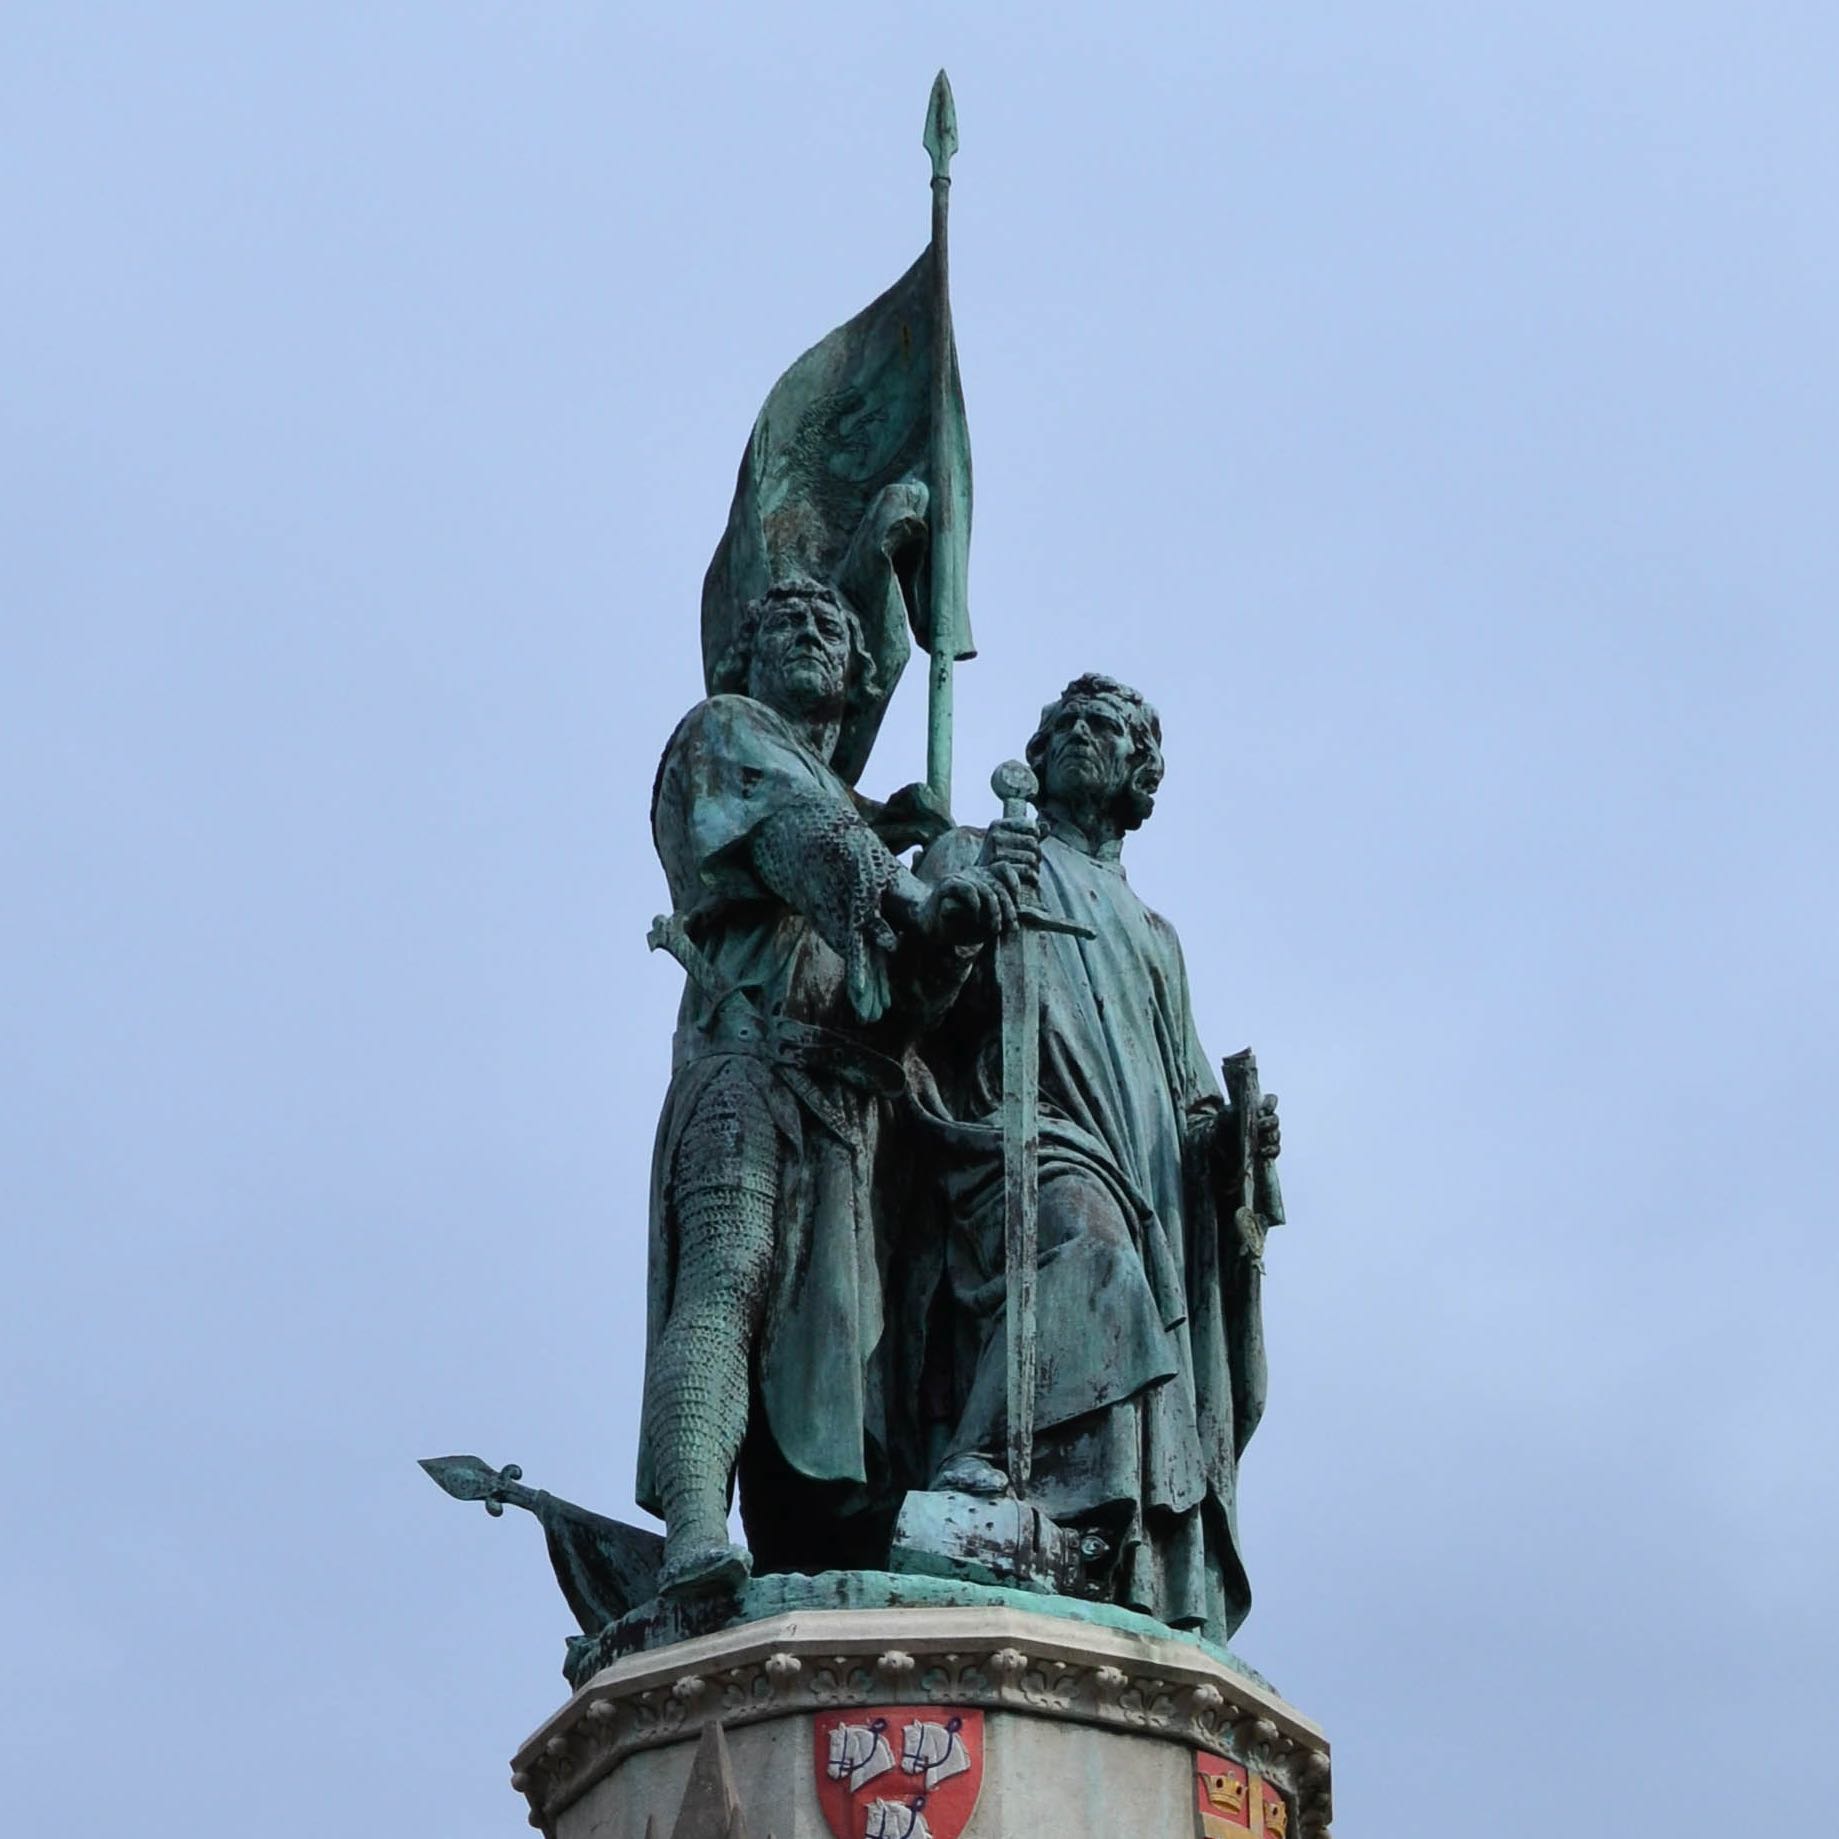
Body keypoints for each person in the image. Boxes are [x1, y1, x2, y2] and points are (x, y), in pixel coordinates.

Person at [637, 577, 1023, 1596]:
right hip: (749, 1070)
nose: (813, 631)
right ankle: (692, 1538)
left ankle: (825, 1536)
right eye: (786, 622)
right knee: (731, 1278)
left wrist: (959, 924)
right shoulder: (725, 737)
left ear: (856, 680)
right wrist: (914, 897)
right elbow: (810, 850)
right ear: (744, 656)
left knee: (862, 1372)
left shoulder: (862, 817)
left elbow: (909, 1002)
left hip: (857, 1113)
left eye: (833, 629)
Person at [907, 673, 1282, 1642]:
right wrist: (969, 908)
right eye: (1066, 720)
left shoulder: (1157, 937)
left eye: (1108, 725)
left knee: (1125, 1266)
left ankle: (1095, 1533)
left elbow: (1190, 1100)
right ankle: (981, 1467)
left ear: (1139, 773)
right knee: (1093, 1253)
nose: (1082, 732)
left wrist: (1237, 1142)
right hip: (1017, 1132)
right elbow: (914, 987)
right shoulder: (992, 850)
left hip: (1144, 1173)